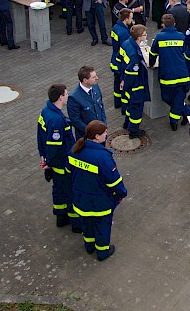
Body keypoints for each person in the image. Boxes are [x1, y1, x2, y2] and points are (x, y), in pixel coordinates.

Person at [69, 120, 127, 261]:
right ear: (96, 136)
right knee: (102, 227)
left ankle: (89, 246)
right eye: (104, 133)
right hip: (99, 203)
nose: (106, 135)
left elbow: (68, 172)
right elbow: (114, 181)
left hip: (80, 199)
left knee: (86, 225)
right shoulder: (102, 157)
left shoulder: (76, 150)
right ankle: (102, 252)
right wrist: (122, 194)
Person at [37, 84, 80, 231]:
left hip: (56, 163)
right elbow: (54, 146)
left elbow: (40, 138)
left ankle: (61, 217)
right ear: (61, 97)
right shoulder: (56, 120)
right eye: (66, 93)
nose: (68, 95)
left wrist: (42, 156)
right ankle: (76, 224)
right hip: (62, 164)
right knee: (70, 192)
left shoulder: (45, 111)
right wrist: (49, 161)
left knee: (58, 190)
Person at [149, 14, 190, 131]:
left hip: (167, 75)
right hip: (182, 74)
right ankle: (187, 112)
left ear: (163, 25)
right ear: (174, 24)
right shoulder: (181, 36)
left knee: (167, 97)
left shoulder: (159, 37)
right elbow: (184, 52)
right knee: (178, 99)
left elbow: (153, 54)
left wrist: (151, 64)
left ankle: (173, 121)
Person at [120, 24, 150, 138]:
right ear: (138, 37)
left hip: (127, 84)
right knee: (136, 109)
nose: (145, 36)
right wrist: (127, 84)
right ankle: (133, 131)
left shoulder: (126, 43)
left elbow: (120, 61)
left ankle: (127, 123)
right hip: (135, 87)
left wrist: (123, 81)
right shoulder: (135, 55)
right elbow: (131, 73)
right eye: (144, 35)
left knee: (129, 106)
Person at [67, 66, 106, 140]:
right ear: (85, 80)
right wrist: (91, 132)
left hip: (100, 134)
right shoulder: (74, 98)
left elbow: (101, 107)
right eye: (93, 77)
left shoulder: (95, 87)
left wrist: (104, 125)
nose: (97, 78)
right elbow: (75, 120)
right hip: (87, 137)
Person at [110, 8, 133, 108]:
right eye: (131, 18)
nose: (132, 20)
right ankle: (124, 106)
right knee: (122, 83)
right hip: (121, 62)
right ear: (126, 19)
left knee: (116, 82)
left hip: (114, 59)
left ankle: (117, 102)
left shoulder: (115, 27)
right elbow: (125, 49)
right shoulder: (124, 33)